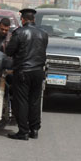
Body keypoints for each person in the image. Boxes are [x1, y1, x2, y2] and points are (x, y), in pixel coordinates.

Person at [5, 8, 48, 140]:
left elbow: (9, 51)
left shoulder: (19, 33)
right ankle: (34, 129)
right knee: (34, 101)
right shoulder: (43, 34)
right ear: (34, 19)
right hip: (38, 72)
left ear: (22, 20)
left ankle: (23, 131)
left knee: (22, 101)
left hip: (23, 72)